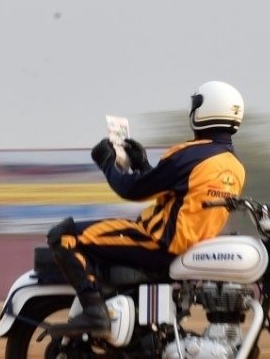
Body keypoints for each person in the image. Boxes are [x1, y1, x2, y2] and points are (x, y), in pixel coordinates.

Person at [48, 81, 246, 335]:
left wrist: (108, 163)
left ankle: (94, 312)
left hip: (157, 241)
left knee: (63, 235)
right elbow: (178, 194)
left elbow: (131, 190)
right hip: (194, 247)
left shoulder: (189, 155)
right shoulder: (234, 165)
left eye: (196, 104)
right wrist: (142, 165)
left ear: (204, 110)